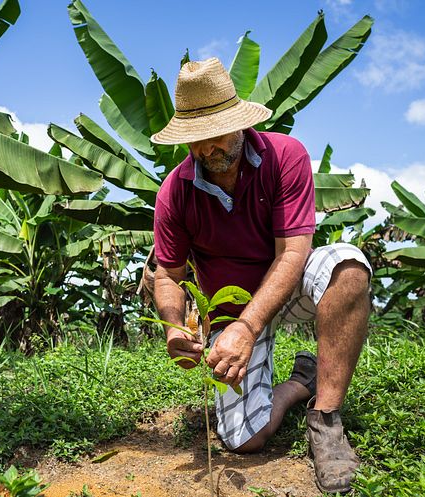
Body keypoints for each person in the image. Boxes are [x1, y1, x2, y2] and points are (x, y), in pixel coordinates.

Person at [149, 57, 372, 494]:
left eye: (214, 134)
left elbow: (293, 253)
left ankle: (326, 419)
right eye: (194, 140)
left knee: (346, 265)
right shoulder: (174, 191)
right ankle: (298, 384)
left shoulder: (284, 156)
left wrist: (250, 326)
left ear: (238, 123)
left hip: (284, 290)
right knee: (244, 440)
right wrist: (176, 328)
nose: (205, 149)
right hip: (231, 316)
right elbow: (167, 275)